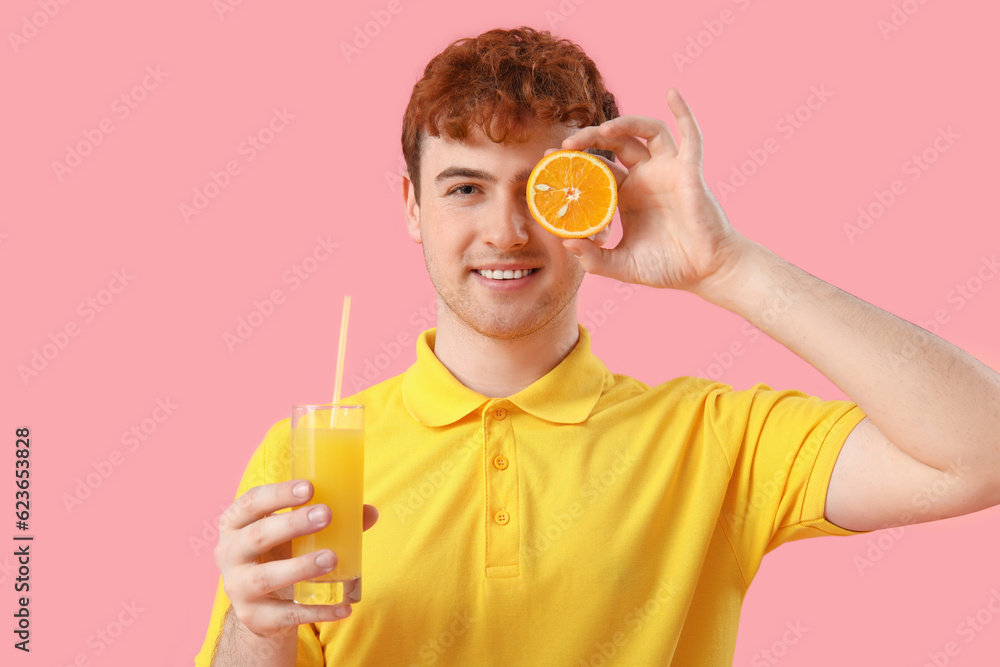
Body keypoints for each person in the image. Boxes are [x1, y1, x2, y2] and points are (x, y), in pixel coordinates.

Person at [196, 26, 1000, 666]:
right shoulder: (309, 458)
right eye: (466, 187)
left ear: (595, 198)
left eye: (540, 188)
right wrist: (259, 633)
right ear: (411, 205)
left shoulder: (711, 440)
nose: (506, 231)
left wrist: (727, 267)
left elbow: (981, 449)